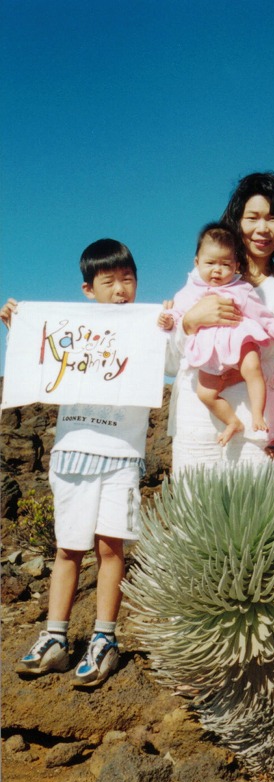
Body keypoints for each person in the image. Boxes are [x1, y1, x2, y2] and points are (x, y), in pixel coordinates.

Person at [1, 239, 155, 688]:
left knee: (111, 549)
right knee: (67, 548)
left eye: (128, 279)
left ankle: (104, 637)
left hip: (122, 456)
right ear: (88, 289)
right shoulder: (69, 326)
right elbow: (36, 358)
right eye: (109, 281)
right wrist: (18, 326)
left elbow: (176, 355)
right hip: (73, 454)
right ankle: (55, 637)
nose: (121, 289)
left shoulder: (150, 328)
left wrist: (171, 324)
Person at [168, 172, 274, 472]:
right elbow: (170, 361)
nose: (263, 229)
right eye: (252, 218)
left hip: (255, 430)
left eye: (273, 218)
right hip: (196, 423)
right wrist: (188, 323)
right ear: (237, 221)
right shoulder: (199, 282)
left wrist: (246, 371)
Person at [159, 222, 274, 446]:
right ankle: (232, 421)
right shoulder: (189, 291)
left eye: (225, 264)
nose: (217, 270)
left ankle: (257, 414)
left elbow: (262, 314)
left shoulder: (241, 289)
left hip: (239, 339)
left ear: (236, 266)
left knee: (253, 369)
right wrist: (169, 320)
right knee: (205, 393)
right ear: (196, 263)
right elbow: (179, 315)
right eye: (210, 263)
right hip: (210, 350)